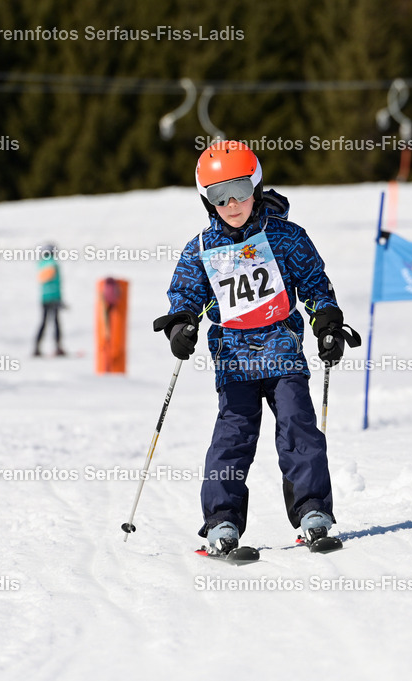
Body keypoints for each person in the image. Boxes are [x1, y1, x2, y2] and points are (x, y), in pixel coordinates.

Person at [154, 140, 356, 556]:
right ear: (206, 201)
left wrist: (327, 322)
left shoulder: (287, 238)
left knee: (299, 428)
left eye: (241, 191)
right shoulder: (202, 249)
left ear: (257, 187)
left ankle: (313, 511)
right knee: (232, 440)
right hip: (234, 363)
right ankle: (222, 521)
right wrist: (181, 324)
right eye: (219, 196)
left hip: (283, 353)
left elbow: (315, 283)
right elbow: (186, 294)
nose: (232, 204)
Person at [35, 244, 65, 356]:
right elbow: (56, 284)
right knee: (56, 323)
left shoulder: (41, 264)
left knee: (43, 322)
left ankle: (37, 347)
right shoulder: (53, 264)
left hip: (44, 298)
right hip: (53, 297)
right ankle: (58, 346)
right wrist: (59, 298)